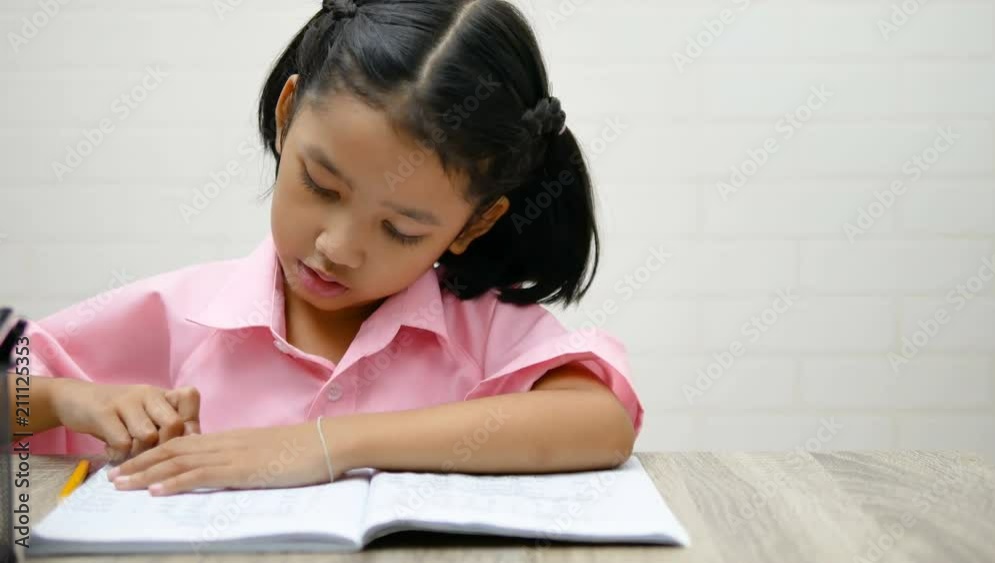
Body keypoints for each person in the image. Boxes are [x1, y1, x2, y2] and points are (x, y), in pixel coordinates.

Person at [7, 0, 643, 496]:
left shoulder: (480, 329)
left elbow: (601, 423)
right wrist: (71, 399)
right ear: (287, 117)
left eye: (401, 230)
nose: (336, 248)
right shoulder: (176, 313)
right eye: (320, 184)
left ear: (474, 223)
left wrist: (324, 445)